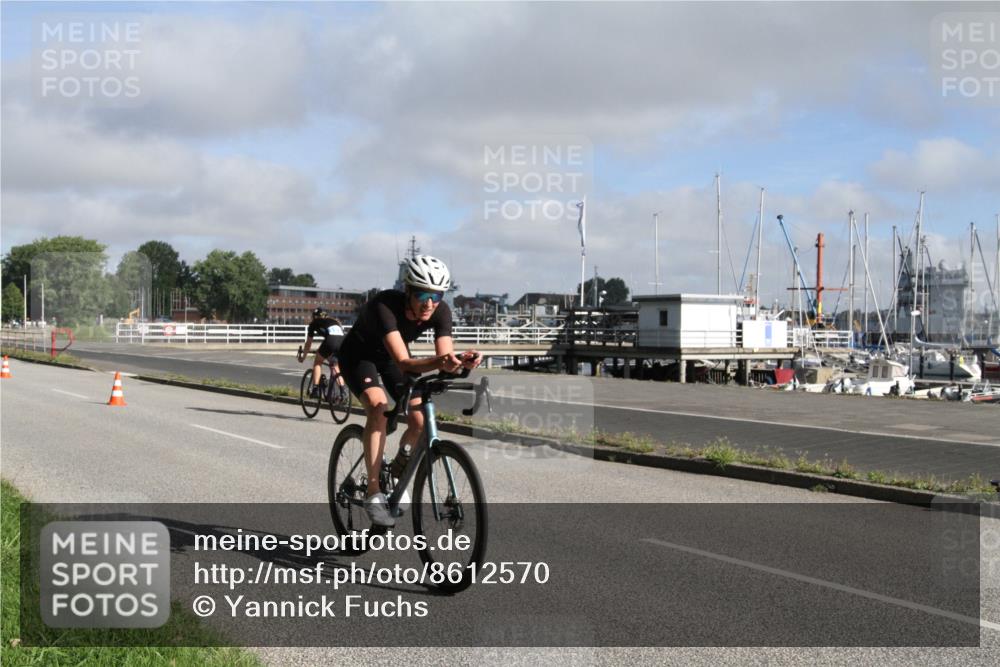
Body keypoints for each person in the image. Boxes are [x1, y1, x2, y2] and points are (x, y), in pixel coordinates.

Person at [338, 255, 480, 527]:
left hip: (391, 358)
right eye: (423, 294)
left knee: (419, 420)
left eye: (437, 295)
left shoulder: (440, 311)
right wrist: (442, 362)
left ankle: (399, 465)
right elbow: (405, 362)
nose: (430, 303)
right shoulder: (384, 306)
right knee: (378, 408)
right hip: (359, 356)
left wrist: (463, 361)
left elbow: (444, 360)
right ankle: (373, 492)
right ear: (409, 292)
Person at [298, 308, 346, 398]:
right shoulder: (334, 321)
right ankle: (343, 392)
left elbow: (308, 344)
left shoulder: (314, 323)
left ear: (315, 316)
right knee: (335, 365)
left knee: (318, 361)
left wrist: (303, 357)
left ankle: (315, 390)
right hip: (343, 342)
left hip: (331, 341)